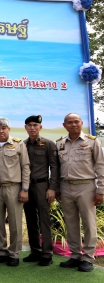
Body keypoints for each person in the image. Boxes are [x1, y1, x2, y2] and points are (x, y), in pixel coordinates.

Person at [56, 113, 104, 272]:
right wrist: (57, 189)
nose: (73, 124)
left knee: (89, 223)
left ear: (81, 123)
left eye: (76, 122)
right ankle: (75, 255)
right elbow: (57, 168)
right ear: (64, 125)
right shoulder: (60, 143)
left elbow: (100, 166)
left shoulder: (92, 141)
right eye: (69, 122)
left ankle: (88, 257)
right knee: (71, 223)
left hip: (86, 186)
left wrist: (101, 190)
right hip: (66, 187)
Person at [0, 117, 30, 267]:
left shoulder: (18, 144)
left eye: (4, 128)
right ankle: (2, 251)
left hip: (14, 187)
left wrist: (25, 189)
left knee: (15, 222)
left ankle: (14, 253)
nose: (1, 131)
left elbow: (26, 167)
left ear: (8, 130)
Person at [23, 115, 59, 266]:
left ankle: (47, 253)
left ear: (40, 127)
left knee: (44, 220)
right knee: (30, 220)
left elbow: (55, 167)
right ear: (25, 127)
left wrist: (52, 188)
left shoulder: (48, 144)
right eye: (29, 125)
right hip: (26, 187)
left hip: (42, 186)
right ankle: (35, 251)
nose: (32, 128)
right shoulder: (22, 145)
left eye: (35, 125)